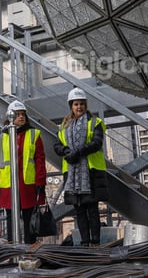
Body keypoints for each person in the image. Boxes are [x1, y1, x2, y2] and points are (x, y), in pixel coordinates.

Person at [53, 87, 108, 246]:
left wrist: (77, 152)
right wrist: (65, 150)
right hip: (71, 174)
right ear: (71, 106)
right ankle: (84, 243)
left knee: (92, 210)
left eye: (82, 104)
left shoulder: (95, 122)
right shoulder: (63, 126)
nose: (79, 107)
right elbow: (57, 146)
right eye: (76, 104)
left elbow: (97, 143)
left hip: (91, 172)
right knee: (79, 211)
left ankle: (95, 242)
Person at [0, 100, 47, 244]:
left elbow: (40, 159)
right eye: (18, 114)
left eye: (23, 114)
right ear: (10, 117)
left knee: (29, 219)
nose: (21, 117)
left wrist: (40, 181)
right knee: (11, 219)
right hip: (8, 184)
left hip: (28, 184)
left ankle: (29, 248)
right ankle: (13, 248)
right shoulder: (0, 137)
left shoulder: (34, 134)